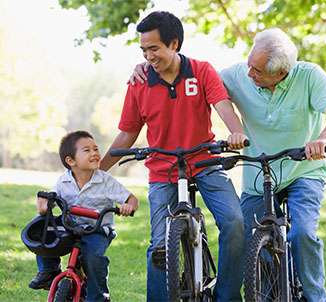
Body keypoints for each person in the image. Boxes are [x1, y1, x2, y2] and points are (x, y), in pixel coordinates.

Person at [130, 28, 326, 302]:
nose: (249, 74)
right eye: (249, 64)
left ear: (281, 73)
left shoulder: (309, 76)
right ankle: (267, 295)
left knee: (303, 233)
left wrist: (323, 138)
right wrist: (149, 66)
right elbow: (194, 77)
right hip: (259, 173)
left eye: (257, 71)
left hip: (302, 170)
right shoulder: (237, 75)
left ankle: (317, 297)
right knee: (249, 238)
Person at [100, 11, 247, 302]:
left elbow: (223, 105)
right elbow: (128, 132)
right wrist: (99, 171)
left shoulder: (202, 71)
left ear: (174, 43)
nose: (148, 56)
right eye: (143, 50)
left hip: (205, 161)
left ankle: (227, 296)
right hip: (163, 169)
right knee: (159, 246)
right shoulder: (139, 83)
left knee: (235, 223)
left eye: (154, 48)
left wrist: (236, 132)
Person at [28, 130, 139, 302]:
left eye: (95, 149)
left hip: (97, 229)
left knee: (92, 257)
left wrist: (128, 206)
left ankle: (97, 296)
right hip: (71, 225)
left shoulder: (105, 180)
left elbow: (131, 199)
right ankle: (48, 272)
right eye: (87, 150)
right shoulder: (63, 181)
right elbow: (51, 198)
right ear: (71, 161)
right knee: (43, 232)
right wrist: (44, 205)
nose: (95, 153)